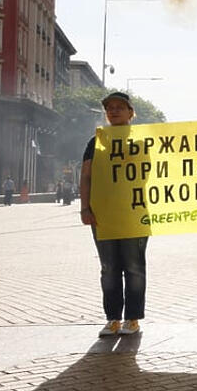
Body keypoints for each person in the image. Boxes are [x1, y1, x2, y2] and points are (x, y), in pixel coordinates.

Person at [79, 91, 149, 336]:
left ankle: (132, 319)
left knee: (134, 267)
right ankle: (112, 319)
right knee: (109, 268)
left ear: (131, 112)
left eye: (120, 107)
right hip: (103, 215)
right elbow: (86, 175)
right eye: (110, 107)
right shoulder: (96, 141)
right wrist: (85, 207)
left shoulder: (143, 140)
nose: (114, 111)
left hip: (134, 214)